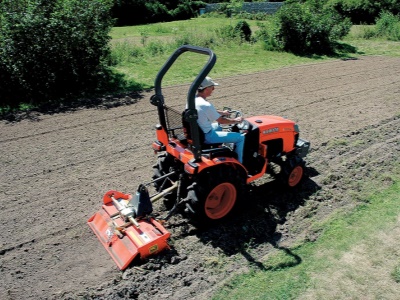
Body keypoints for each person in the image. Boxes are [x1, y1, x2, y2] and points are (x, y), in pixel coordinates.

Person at [194, 76, 245, 163]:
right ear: (206, 89)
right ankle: (240, 163)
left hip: (198, 132)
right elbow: (222, 121)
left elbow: (207, 111)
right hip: (207, 136)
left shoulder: (194, 100)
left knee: (218, 126)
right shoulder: (206, 105)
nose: (213, 89)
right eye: (212, 87)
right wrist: (236, 120)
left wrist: (223, 112)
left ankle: (220, 148)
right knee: (240, 137)